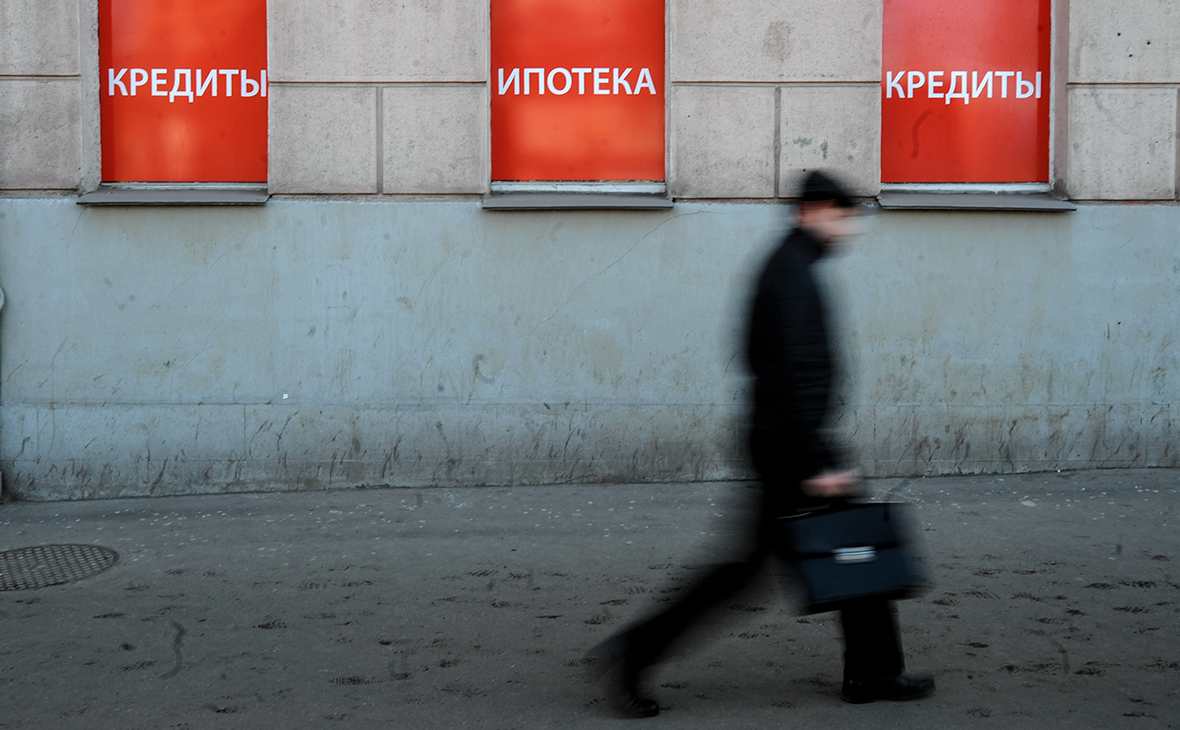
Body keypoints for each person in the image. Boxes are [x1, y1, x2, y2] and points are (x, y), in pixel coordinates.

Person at [588, 170, 934, 718]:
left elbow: (757, 358)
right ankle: (634, 652)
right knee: (775, 564)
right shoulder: (792, 273)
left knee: (844, 544)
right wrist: (815, 461)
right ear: (816, 210)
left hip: (786, 440)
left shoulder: (786, 265)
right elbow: (788, 373)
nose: (850, 229)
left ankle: (873, 671)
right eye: (844, 216)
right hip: (793, 447)